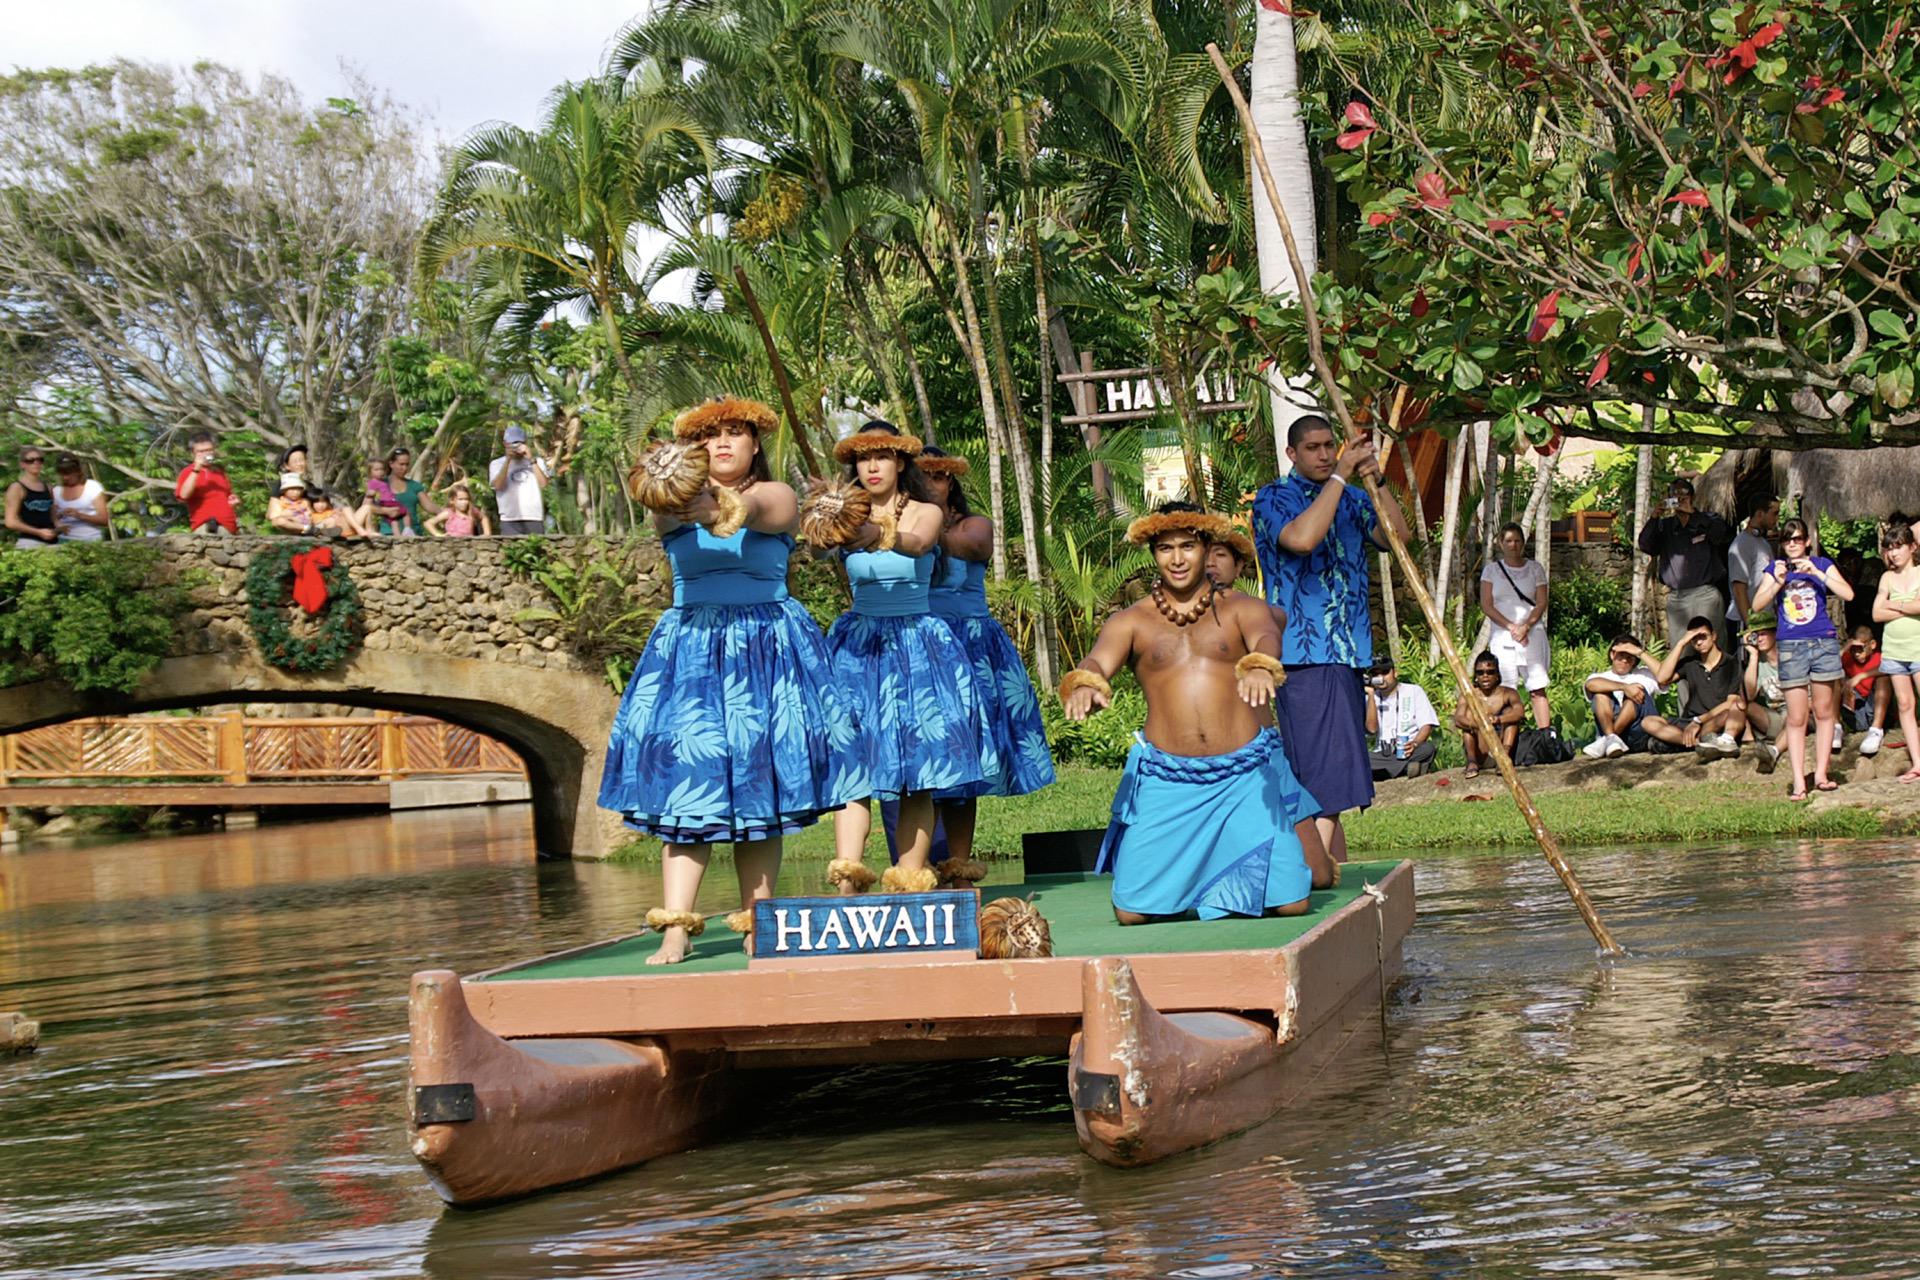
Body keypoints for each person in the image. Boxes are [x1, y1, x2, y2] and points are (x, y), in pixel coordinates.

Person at [600, 397, 866, 964]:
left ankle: (757, 922)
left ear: (754, 445)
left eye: (735, 434)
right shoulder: (670, 503)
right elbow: (677, 508)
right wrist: (680, 486)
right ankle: (676, 927)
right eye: (711, 436)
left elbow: (757, 511)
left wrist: (705, 498)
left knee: (757, 787)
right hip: (692, 650)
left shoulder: (779, 495)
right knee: (685, 789)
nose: (723, 443)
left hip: (765, 648)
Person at [1064, 503, 1332, 923]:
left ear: (1207, 549)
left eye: (1187, 546)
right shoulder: (1131, 620)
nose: (1176, 559)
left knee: (1294, 903)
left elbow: (1266, 636)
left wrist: (1260, 663)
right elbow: (1099, 660)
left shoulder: (1242, 608)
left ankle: (1224, 885)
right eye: (1165, 548)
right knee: (1131, 913)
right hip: (1168, 779)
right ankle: (1206, 886)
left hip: (1244, 776)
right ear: (1153, 553)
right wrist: (1085, 681)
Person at [818, 422, 986, 891]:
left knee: (919, 769)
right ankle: (849, 876)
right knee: (854, 766)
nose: (872, 467)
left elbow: (915, 544)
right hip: (858, 647)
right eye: (863, 459)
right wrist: (823, 515)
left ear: (900, 463)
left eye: (882, 457)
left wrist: (864, 527)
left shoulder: (927, 512)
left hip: (916, 644)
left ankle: (911, 878)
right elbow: (813, 546)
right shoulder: (845, 513)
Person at [1252, 415, 1413, 864]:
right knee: (1323, 774)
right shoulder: (1273, 498)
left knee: (1332, 773)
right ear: (1292, 454)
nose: (1324, 455)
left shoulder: (1353, 498)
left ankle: (1332, 870)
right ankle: (1315, 875)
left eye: (1330, 446)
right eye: (1313, 448)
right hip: (1304, 656)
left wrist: (1374, 477)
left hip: (1344, 655)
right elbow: (1301, 540)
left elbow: (1398, 537)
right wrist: (1342, 474)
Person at [919, 446, 1054, 866]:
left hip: (971, 646)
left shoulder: (974, 523)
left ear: (952, 482)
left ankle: (959, 866)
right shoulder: (897, 523)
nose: (931, 484)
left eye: (940, 476)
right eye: (922, 477)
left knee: (966, 762)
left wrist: (913, 531)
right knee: (926, 761)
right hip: (921, 650)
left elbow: (973, 547)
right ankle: (916, 869)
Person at [1751, 517, 1855, 799]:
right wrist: (1778, 583)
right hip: (1791, 645)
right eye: (1787, 540)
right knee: (1796, 716)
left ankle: (1821, 773)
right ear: (1782, 545)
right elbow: (1757, 604)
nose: (1792, 544)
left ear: (1807, 541)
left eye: (1797, 539)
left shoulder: (1821, 564)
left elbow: (1848, 593)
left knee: (1824, 712)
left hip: (1822, 641)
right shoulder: (1776, 569)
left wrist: (1818, 574)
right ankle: (1799, 781)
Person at [1637, 475, 1735, 663]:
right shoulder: (1664, 526)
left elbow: (1722, 535)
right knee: (1681, 651)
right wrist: (1654, 517)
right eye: (1675, 495)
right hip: (1678, 597)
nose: (1680, 499)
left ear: (1693, 497)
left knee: (1714, 646)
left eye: (1684, 495)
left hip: (1705, 592)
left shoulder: (1707, 520)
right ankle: (1687, 692)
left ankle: (1724, 690)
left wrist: (1693, 514)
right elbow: (1646, 546)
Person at [1636, 617, 1749, 759]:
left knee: (1731, 712)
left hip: (1712, 720)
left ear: (1713, 636)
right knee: (1648, 722)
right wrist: (1681, 643)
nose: (1699, 642)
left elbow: (1732, 702)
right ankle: (1696, 744)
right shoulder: (1690, 663)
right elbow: (1662, 678)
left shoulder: (1732, 664)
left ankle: (1679, 744)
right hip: (1688, 722)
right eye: (1694, 639)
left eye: (1703, 637)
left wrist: (1699, 721)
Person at [1479, 522, 1552, 730]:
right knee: (1505, 689)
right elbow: (1486, 604)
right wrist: (1511, 626)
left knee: (1537, 686)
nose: (1513, 545)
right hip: (1503, 635)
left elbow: (1541, 602)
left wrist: (1526, 626)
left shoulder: (1535, 568)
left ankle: (1544, 735)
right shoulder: (1491, 571)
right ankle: (1507, 738)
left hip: (1532, 633)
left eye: (1517, 540)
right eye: (1509, 541)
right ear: (1501, 543)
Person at [1870, 521, 1920, 782]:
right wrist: (1907, 604)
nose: (1893, 552)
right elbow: (1877, 613)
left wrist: (1894, 603)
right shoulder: (1886, 577)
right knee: (1905, 705)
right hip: (1894, 650)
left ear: (1912, 547)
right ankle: (1917, 763)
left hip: (1918, 648)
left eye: (1899, 546)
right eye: (1889, 547)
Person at [1580, 636, 1663, 757]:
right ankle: (1611, 740)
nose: (1624, 660)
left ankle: (1607, 739)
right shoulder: (1600, 677)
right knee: (1601, 694)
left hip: (1639, 732)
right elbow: (1590, 685)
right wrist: (1624, 687)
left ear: (1635, 660)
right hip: (1614, 733)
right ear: (1612, 655)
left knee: (1637, 691)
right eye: (1621, 655)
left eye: (1629, 657)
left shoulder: (1645, 674)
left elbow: (1665, 675)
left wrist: (1640, 652)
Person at [1451, 651, 1525, 779]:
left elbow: (1519, 713)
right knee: (1468, 715)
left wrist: (1498, 719)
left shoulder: (1508, 693)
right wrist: (1479, 724)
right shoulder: (1469, 695)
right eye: (1480, 672)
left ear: (1497, 675)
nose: (1485, 676)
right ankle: (1472, 761)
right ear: (1476, 676)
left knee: (1510, 713)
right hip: (1481, 748)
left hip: (1502, 745)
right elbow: (1458, 719)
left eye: (1490, 672)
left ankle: (1503, 760)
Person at [1364, 661, 1438, 778]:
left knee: (1428, 748)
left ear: (1395, 673)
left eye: (1385, 673)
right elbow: (1372, 729)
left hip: (1409, 750)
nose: (1380, 678)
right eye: (1376, 675)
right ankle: (1406, 768)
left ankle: (1385, 771)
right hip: (1382, 753)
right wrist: (1371, 696)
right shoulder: (1371, 698)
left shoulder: (1414, 691)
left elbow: (1427, 725)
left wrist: (1414, 744)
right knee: (1360, 757)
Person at [1740, 615, 1791, 773]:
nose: (1758, 639)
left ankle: (1773, 751)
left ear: (1775, 634)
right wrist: (1753, 656)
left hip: (1796, 713)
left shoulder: (1789, 657)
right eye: (1755, 635)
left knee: (1795, 716)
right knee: (1744, 705)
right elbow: (1749, 695)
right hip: (1774, 716)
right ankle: (1752, 742)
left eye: (1763, 634)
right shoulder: (1760, 663)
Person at [1727, 491, 1779, 631]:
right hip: (1748, 621)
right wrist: (1750, 625)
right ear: (1760, 514)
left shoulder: (1763, 543)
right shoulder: (1741, 544)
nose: (1777, 519)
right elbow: (1739, 589)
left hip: (1766, 619)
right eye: (1774, 513)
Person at [490, 427, 551, 536]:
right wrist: (508, 460)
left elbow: (544, 484)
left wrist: (531, 460)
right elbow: (498, 486)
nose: (516, 447)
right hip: (509, 518)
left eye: (520, 443)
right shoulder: (496, 464)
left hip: (534, 516)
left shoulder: (538, 462)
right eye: (513, 443)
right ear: (505, 444)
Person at [174, 432, 237, 534]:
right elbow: (183, 495)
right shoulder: (188, 472)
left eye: (209, 450)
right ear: (193, 453)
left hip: (228, 527)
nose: (206, 454)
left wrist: (232, 502)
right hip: (206, 527)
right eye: (201, 451)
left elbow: (227, 497)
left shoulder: (219, 471)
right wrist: (196, 469)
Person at [1841, 625, 1890, 755]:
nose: (1857, 654)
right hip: (1857, 707)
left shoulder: (1880, 658)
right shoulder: (1847, 658)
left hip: (1874, 704)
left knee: (1883, 678)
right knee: (1836, 677)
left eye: (1860, 649)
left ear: (1872, 644)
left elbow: (1887, 668)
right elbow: (1831, 665)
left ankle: (1876, 728)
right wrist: (1845, 649)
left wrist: (1861, 676)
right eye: (1853, 650)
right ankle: (1837, 727)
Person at [5, 448, 57, 548]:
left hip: (53, 542)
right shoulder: (17, 488)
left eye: (39, 460)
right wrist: (38, 532)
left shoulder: (48, 487)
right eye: (31, 460)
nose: (36, 463)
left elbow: (53, 517)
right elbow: (10, 522)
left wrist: (60, 527)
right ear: (22, 464)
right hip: (29, 542)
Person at [51, 455, 109, 543]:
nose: (65, 478)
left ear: (78, 471)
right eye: (62, 473)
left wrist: (79, 515)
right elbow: (52, 518)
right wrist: (59, 517)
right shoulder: (56, 491)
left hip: (91, 539)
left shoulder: (93, 487)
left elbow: (104, 520)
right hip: (65, 540)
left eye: (68, 473)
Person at [383, 448, 438, 535]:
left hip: (413, 534)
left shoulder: (414, 486)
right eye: (401, 464)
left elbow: (428, 505)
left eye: (407, 464)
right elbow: (369, 506)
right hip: (389, 534)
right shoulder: (381, 484)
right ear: (391, 464)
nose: (404, 468)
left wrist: (446, 512)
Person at [425, 484, 491, 537]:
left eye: (466, 499)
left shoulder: (471, 511)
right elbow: (428, 523)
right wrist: (438, 535)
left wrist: (487, 534)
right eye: (460, 499)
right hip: (453, 545)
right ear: (452, 500)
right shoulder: (449, 513)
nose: (464, 502)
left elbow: (484, 518)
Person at [364, 459, 409, 535]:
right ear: (370, 472)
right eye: (376, 470)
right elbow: (369, 491)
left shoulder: (383, 481)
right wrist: (370, 493)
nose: (380, 472)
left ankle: (398, 536)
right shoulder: (373, 482)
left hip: (389, 501)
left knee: (394, 521)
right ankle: (408, 528)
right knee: (405, 511)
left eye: (382, 469)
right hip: (387, 502)